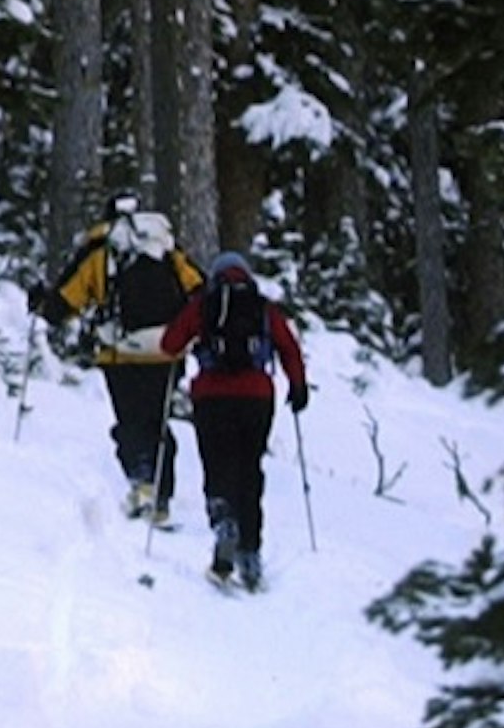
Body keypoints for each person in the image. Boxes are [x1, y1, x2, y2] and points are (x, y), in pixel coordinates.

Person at [26, 198, 203, 523]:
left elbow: (67, 300)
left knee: (131, 421)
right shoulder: (165, 249)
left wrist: (42, 304)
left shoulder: (102, 251)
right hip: (167, 349)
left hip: (122, 352)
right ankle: (161, 497)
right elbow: (199, 289)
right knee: (158, 422)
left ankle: (142, 484)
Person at [157, 249, 311, 591]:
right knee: (249, 470)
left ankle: (223, 523)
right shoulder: (263, 307)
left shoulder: (205, 304)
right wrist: (298, 387)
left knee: (217, 465)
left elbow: (170, 344)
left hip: (211, 398)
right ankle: (251, 554)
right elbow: (289, 348)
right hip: (257, 397)